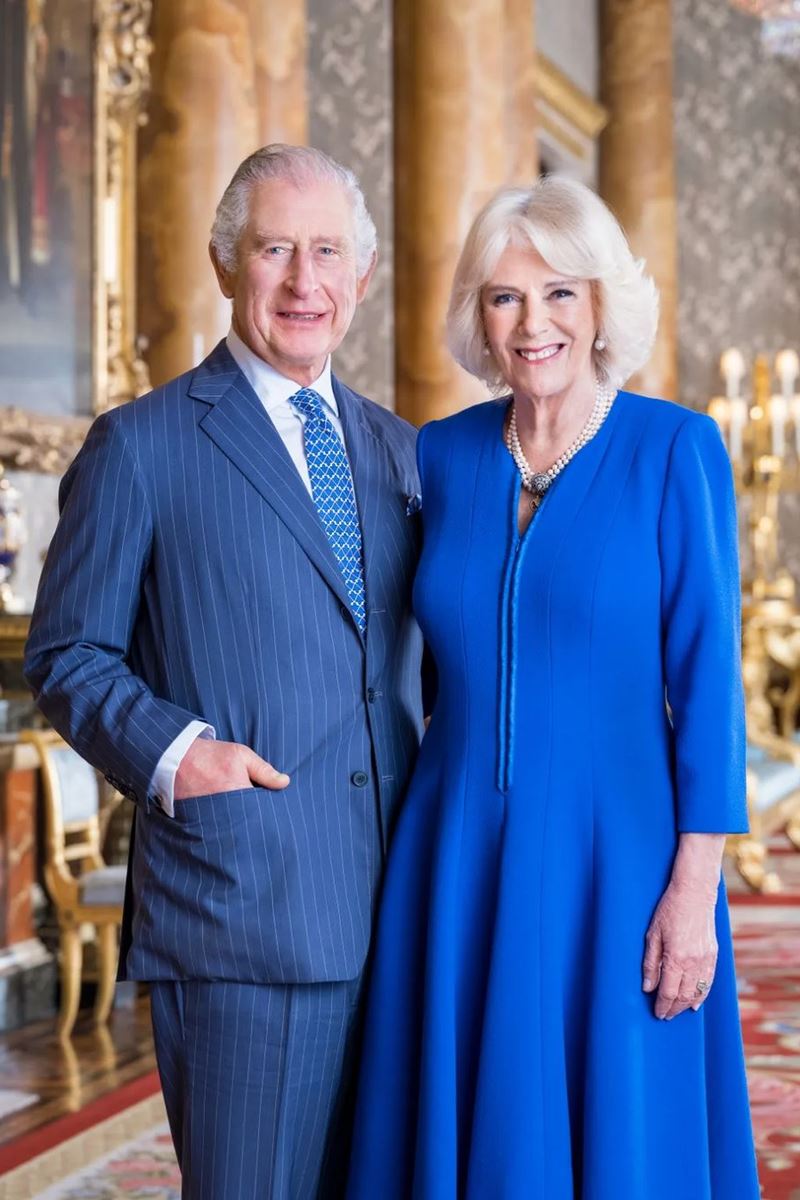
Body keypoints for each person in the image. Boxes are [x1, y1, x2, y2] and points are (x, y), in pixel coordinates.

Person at [24, 144, 426, 1200]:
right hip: (242, 916)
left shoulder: (399, 452)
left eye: (327, 251)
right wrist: (179, 756)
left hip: (405, 911)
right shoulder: (141, 447)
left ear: (363, 277)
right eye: (275, 249)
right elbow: (66, 653)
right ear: (222, 265)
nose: (304, 281)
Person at [346, 176, 760, 1199]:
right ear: (476, 319)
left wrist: (693, 891)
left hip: (616, 855)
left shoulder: (673, 448)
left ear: (600, 306)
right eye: (503, 298)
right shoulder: (436, 456)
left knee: (619, 1131)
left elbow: (708, 679)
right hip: (454, 856)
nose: (532, 324)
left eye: (559, 294)